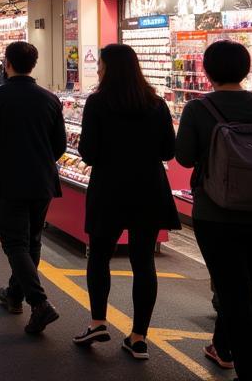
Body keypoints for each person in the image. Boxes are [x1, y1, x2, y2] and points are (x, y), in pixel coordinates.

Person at [175, 40, 252, 381]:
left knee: (234, 289)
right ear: (246, 68)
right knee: (238, 282)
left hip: (216, 214)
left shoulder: (199, 109)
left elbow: (183, 157)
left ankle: (247, 369)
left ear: (206, 71)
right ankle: (222, 346)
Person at [73, 44, 180, 358]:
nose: (98, 70)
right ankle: (138, 336)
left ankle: (98, 322)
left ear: (109, 68)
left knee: (99, 255)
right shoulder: (156, 104)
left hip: (109, 186)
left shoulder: (97, 103)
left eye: (101, 65)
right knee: (143, 261)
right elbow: (167, 151)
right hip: (148, 187)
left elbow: (88, 152)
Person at [0, 41, 65, 335]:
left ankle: (40, 303)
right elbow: (59, 145)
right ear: (32, 64)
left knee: (14, 243)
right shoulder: (50, 99)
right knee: (32, 241)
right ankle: (14, 295)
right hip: (43, 180)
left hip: (9, 178)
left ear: (7, 63)